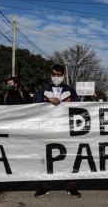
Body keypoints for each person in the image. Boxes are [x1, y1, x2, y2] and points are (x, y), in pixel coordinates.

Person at [34, 64, 81, 198]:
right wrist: (48, 100)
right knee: (45, 157)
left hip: (65, 129)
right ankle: (44, 187)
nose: (56, 77)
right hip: (47, 128)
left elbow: (78, 106)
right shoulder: (44, 89)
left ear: (63, 76)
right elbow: (36, 105)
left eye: (58, 75)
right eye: (53, 74)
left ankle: (71, 187)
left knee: (69, 158)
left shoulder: (70, 90)